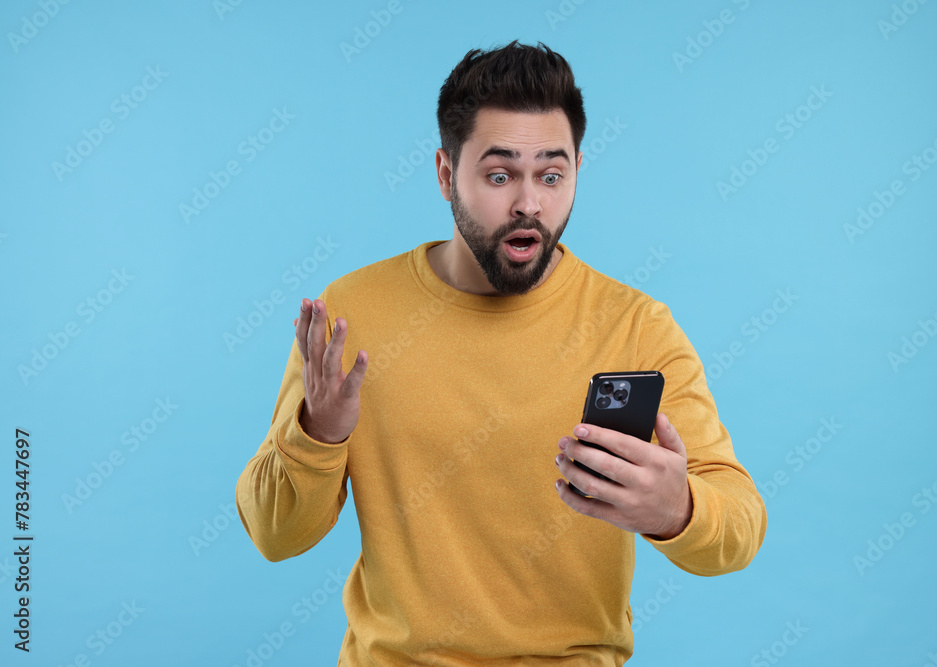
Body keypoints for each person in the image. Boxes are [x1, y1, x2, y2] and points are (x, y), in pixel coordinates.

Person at [235, 39, 767, 665]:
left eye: (551, 174)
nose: (528, 203)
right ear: (444, 174)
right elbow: (274, 534)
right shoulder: (353, 312)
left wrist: (677, 510)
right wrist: (317, 435)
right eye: (498, 174)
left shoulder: (635, 327)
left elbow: (738, 527)